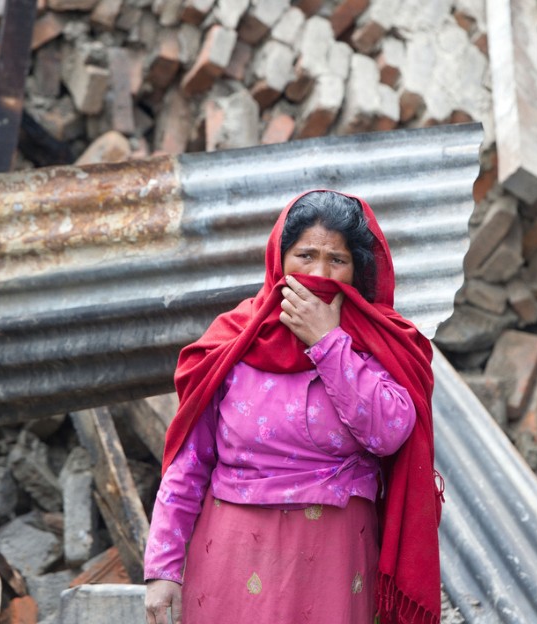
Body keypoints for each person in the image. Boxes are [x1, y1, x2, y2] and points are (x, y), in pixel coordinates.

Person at [143, 190, 442, 624]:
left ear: (358, 270)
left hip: (333, 562)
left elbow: (389, 434)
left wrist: (329, 343)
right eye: (305, 255)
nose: (318, 273)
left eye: (336, 260)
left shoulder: (381, 344)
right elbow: (189, 464)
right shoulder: (234, 339)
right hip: (232, 556)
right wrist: (163, 569)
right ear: (279, 260)